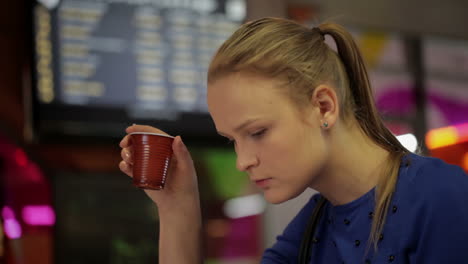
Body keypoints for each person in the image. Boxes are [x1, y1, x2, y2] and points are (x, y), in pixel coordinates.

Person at [119, 17, 468, 263]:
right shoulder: (311, 230)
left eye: (257, 133)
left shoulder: (441, 198)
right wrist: (177, 205)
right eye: (233, 140)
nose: (243, 161)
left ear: (323, 106)